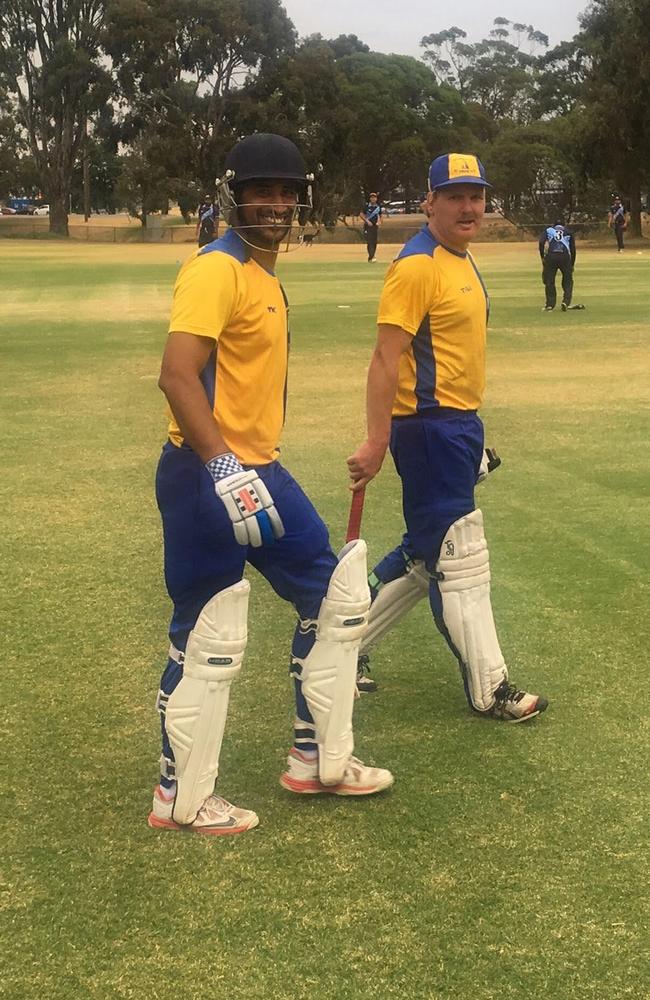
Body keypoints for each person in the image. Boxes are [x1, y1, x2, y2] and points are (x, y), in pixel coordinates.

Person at [149, 133, 393, 837]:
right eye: (264, 191)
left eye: (287, 192)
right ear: (237, 195)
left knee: (336, 597)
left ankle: (318, 758)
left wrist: (247, 466)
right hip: (206, 474)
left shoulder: (263, 275)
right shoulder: (216, 269)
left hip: (261, 469)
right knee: (208, 632)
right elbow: (175, 374)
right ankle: (180, 797)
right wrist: (223, 466)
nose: (277, 204)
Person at [347, 152, 548, 723]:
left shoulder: (461, 258)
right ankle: (492, 688)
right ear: (429, 201)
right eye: (455, 195)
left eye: (476, 196)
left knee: (424, 554)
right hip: (429, 429)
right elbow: (386, 358)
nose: (468, 207)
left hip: (457, 428)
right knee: (460, 558)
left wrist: (470, 438)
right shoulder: (415, 266)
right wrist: (377, 439)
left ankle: (341, 646)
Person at [539, 221, 576, 312]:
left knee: (549, 281)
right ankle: (566, 302)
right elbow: (573, 249)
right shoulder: (568, 231)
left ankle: (550, 304)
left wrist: (543, 257)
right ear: (563, 225)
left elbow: (541, 242)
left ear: (554, 225)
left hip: (551, 257)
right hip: (565, 257)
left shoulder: (549, 230)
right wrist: (572, 263)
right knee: (568, 280)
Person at [361, 192, 383, 262]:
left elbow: (381, 215)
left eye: (374, 197)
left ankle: (371, 257)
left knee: (374, 241)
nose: (373, 199)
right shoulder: (367, 206)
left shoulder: (378, 207)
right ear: (370, 198)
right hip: (368, 226)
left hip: (375, 227)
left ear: (376, 199)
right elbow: (361, 214)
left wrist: (379, 222)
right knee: (369, 241)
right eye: (372, 197)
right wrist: (367, 221)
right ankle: (372, 256)